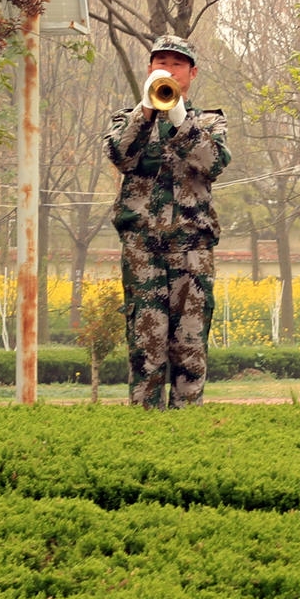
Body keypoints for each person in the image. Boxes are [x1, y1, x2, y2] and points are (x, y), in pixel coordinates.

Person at [103, 35, 231, 408]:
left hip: (192, 249)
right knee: (146, 349)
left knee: (189, 349)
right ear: (148, 69)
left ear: (191, 73)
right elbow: (120, 156)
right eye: (160, 62)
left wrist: (179, 120)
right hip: (143, 250)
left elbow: (213, 163)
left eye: (176, 64)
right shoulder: (127, 119)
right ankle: (145, 432)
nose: (167, 69)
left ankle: (186, 431)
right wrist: (146, 113)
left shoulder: (210, 121)